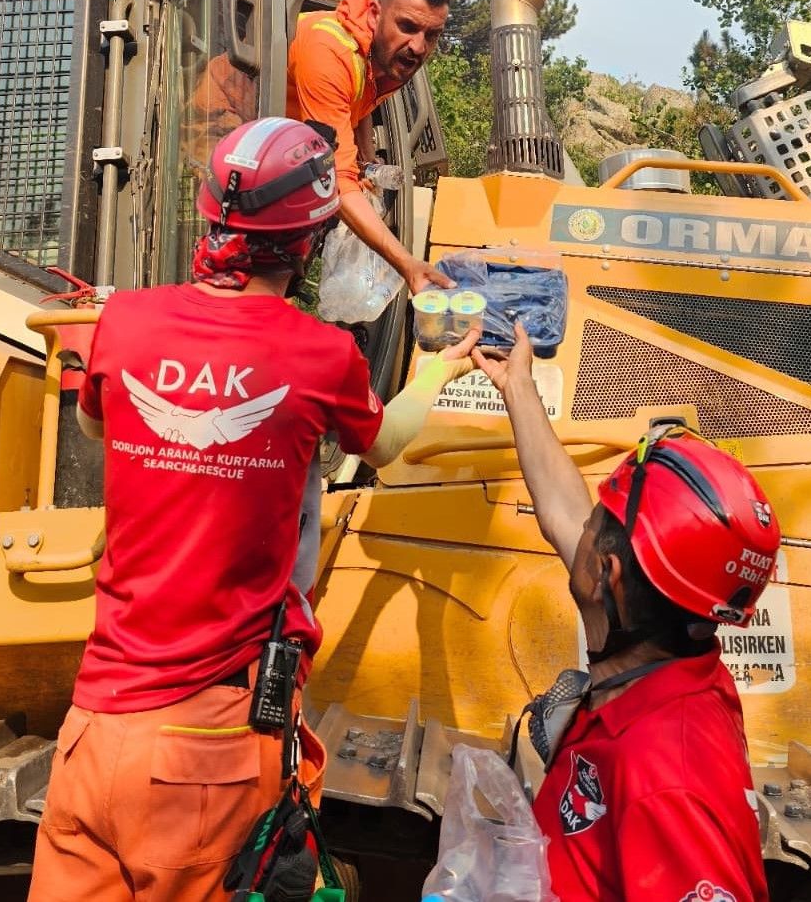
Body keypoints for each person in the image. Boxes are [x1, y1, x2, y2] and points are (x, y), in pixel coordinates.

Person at [28, 117, 480, 902]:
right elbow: (383, 443)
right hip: (205, 751)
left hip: (92, 733)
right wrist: (439, 371)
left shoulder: (124, 322)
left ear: (211, 213)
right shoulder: (320, 354)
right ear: (307, 242)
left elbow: (97, 425)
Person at [473, 325, 778, 902]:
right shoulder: (664, 669)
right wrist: (517, 386)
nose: (579, 528)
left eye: (594, 524)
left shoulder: (666, 778)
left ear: (608, 574)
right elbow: (564, 512)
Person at [287, 0, 453, 295]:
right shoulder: (329, 50)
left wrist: (367, 157)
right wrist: (407, 264)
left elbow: (361, 100)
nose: (419, 46)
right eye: (407, 26)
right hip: (219, 123)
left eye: (432, 35)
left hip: (284, 145)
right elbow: (336, 181)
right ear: (376, 14)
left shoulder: (390, 59)